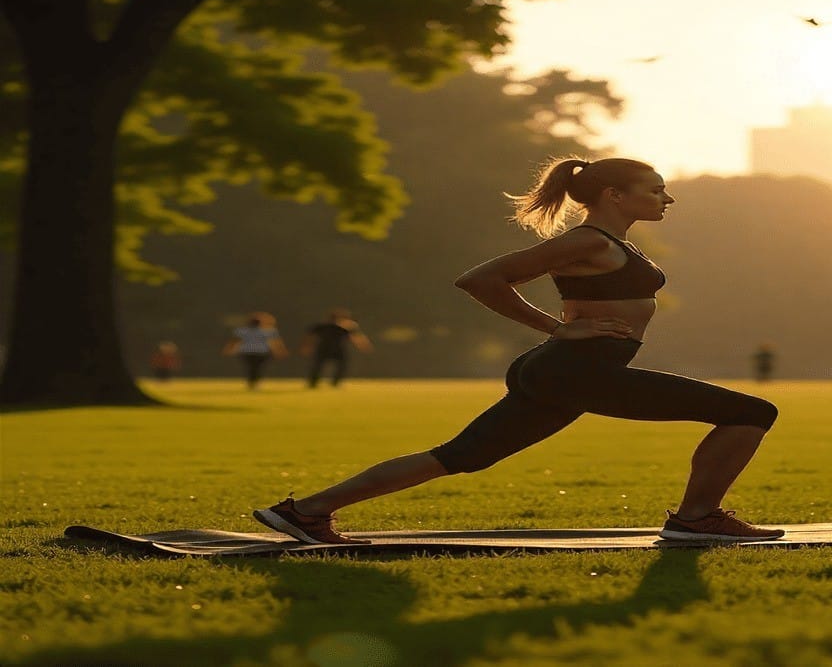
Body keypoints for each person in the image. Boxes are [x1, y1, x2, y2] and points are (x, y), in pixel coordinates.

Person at [253, 156, 783, 544]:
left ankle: (306, 512)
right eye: (655, 189)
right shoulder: (589, 241)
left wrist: (560, 337)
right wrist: (556, 329)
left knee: (460, 457)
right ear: (615, 196)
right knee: (751, 411)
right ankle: (696, 519)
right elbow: (481, 279)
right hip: (578, 370)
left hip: (567, 373)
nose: (666, 198)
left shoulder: (611, 243)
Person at [302, 308, 374, 388]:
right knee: (318, 366)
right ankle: (313, 382)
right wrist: (307, 347)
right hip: (324, 349)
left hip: (337, 350)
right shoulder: (322, 326)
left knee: (341, 365)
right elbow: (311, 337)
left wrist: (363, 345)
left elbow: (355, 337)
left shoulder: (345, 328)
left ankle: (335, 383)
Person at [222, 312, 288, 389]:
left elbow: (235, 341)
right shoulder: (268, 331)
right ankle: (254, 381)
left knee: (252, 368)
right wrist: (279, 351)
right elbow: (276, 342)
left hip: (247, 352)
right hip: (261, 353)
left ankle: (252, 381)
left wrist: (229, 349)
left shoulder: (243, 330)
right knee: (257, 367)